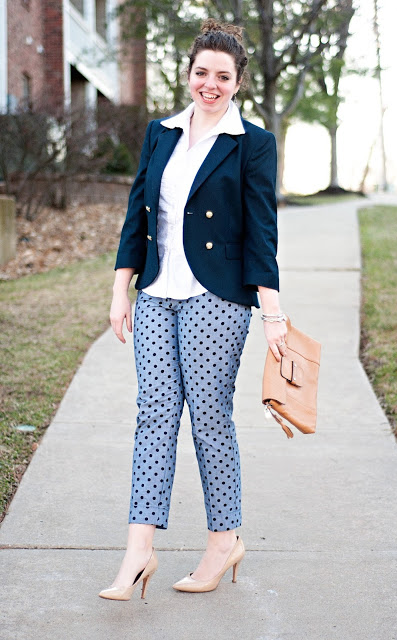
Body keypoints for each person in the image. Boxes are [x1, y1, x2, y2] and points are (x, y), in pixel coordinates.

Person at [99, 18, 287, 601]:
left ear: (238, 83)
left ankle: (223, 540)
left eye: (222, 76)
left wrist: (272, 314)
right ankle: (138, 553)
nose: (210, 84)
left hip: (216, 300)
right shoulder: (161, 133)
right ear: (187, 75)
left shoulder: (251, 143)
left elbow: (261, 232)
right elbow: (139, 215)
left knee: (208, 419)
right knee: (153, 416)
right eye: (201, 72)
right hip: (157, 295)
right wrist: (120, 290)